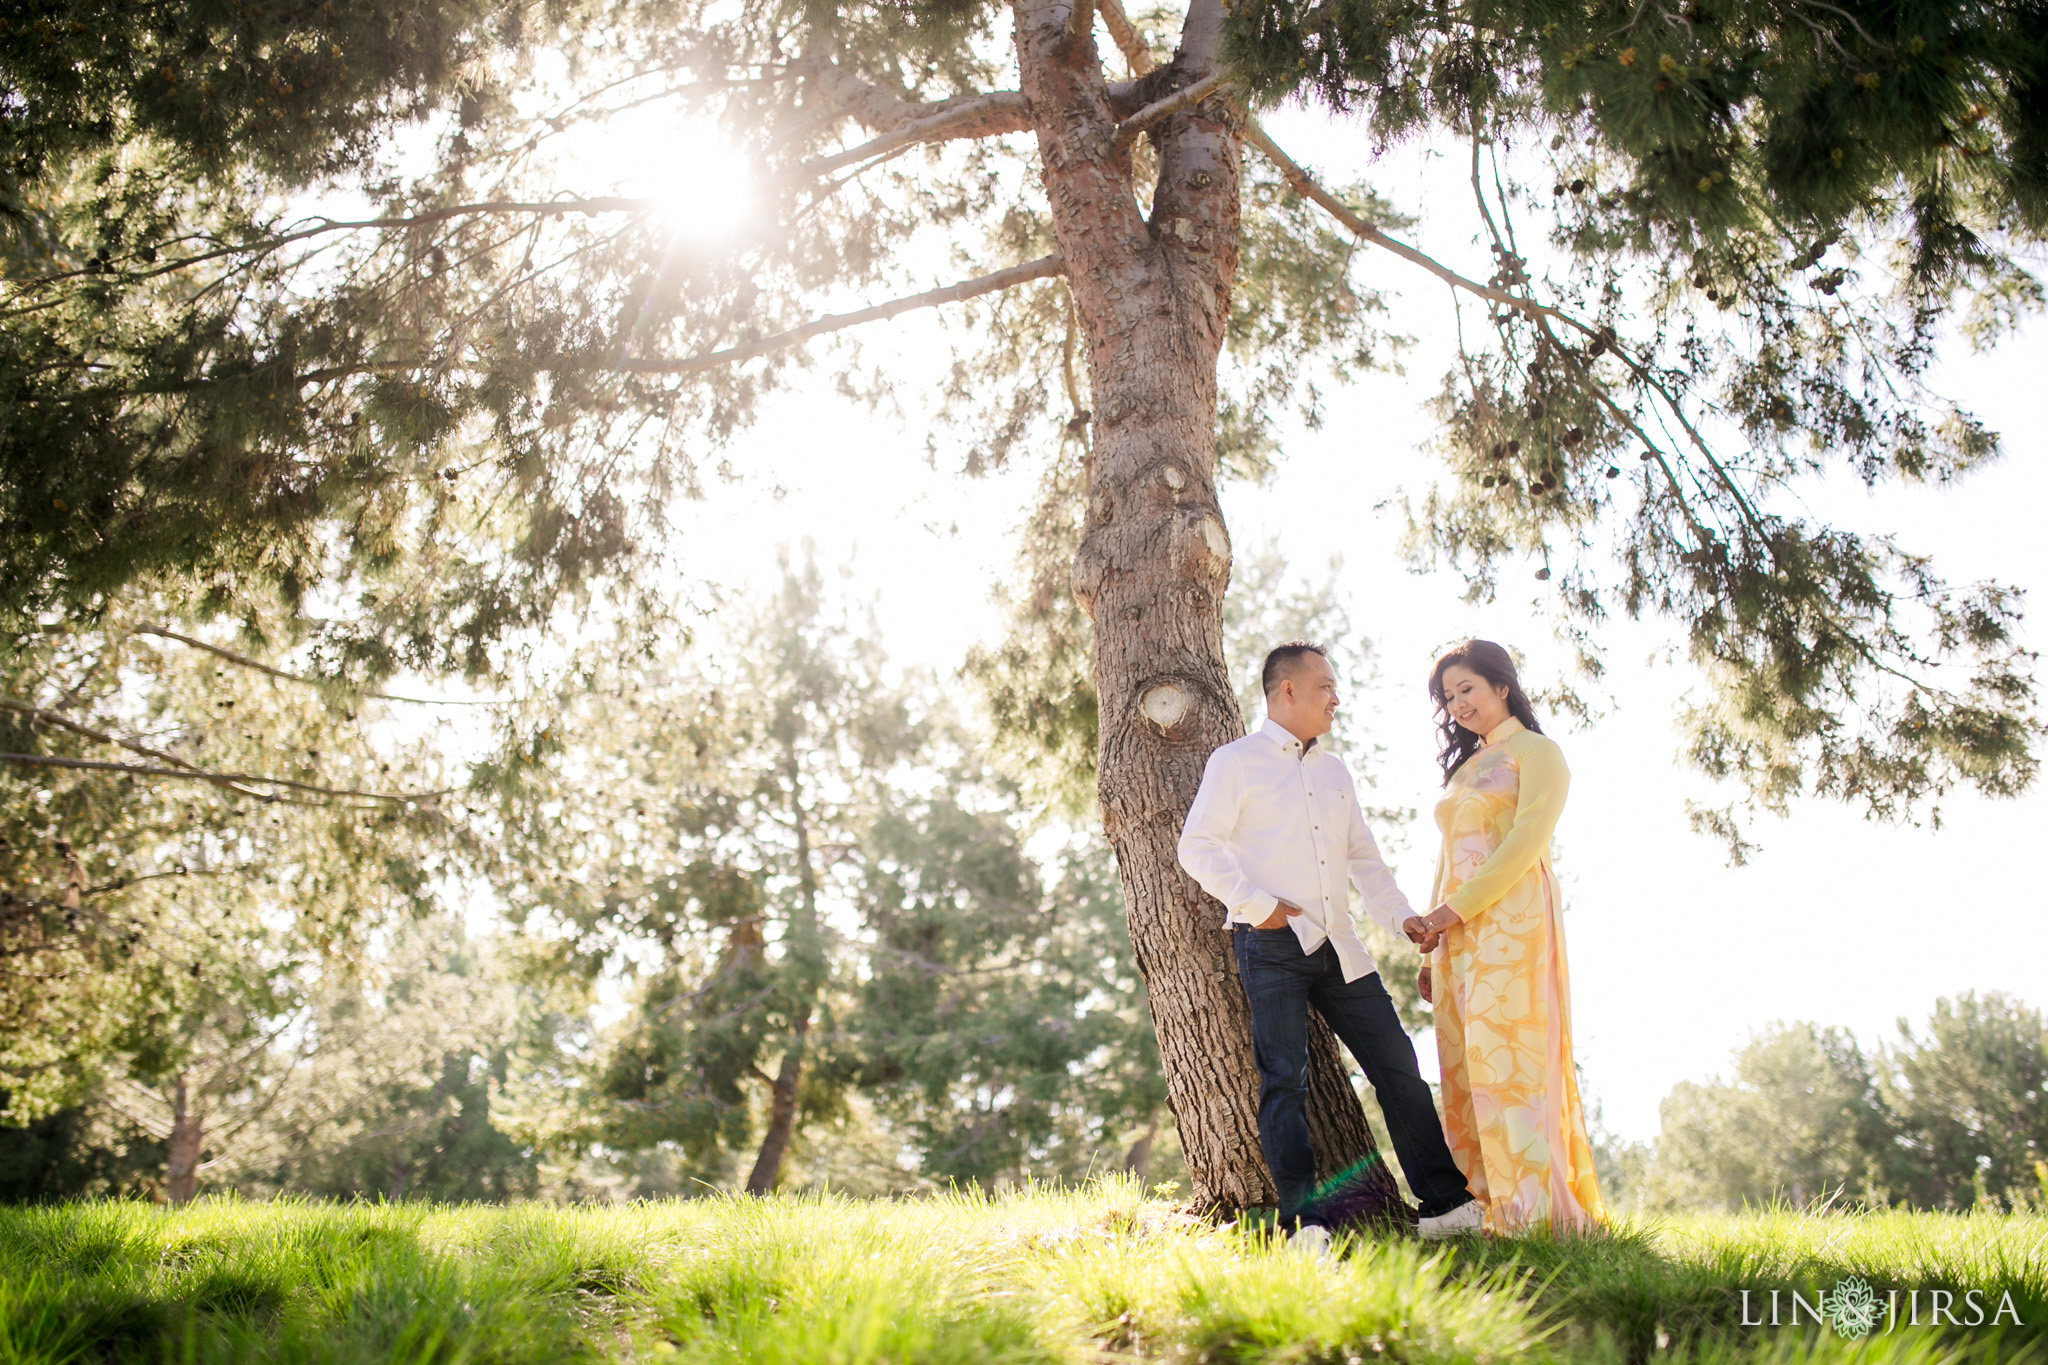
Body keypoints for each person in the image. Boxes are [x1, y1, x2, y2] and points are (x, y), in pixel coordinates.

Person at [1179, 641, 1483, 1242]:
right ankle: (1304, 1225)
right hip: (1270, 945)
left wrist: (1403, 919)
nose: (1335, 698)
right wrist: (1259, 907)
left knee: (1398, 1067)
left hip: (1342, 948)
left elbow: (1364, 860)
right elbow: (1198, 846)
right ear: (1286, 690)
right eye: (1325, 686)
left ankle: (1447, 1208)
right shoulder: (1235, 761)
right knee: (1284, 1081)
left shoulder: (1333, 769)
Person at [1404, 640, 1606, 1234]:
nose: (1458, 704)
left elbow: (1525, 843)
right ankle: (1487, 1209)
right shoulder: (1467, 768)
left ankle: (1538, 1213)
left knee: (1510, 1061)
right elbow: (1449, 857)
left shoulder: (1538, 752)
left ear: (1502, 686)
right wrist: (1435, 936)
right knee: (1466, 1062)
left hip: (1513, 922)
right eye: (1448, 697)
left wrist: (1454, 911)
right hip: (1459, 933)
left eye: (1467, 688)